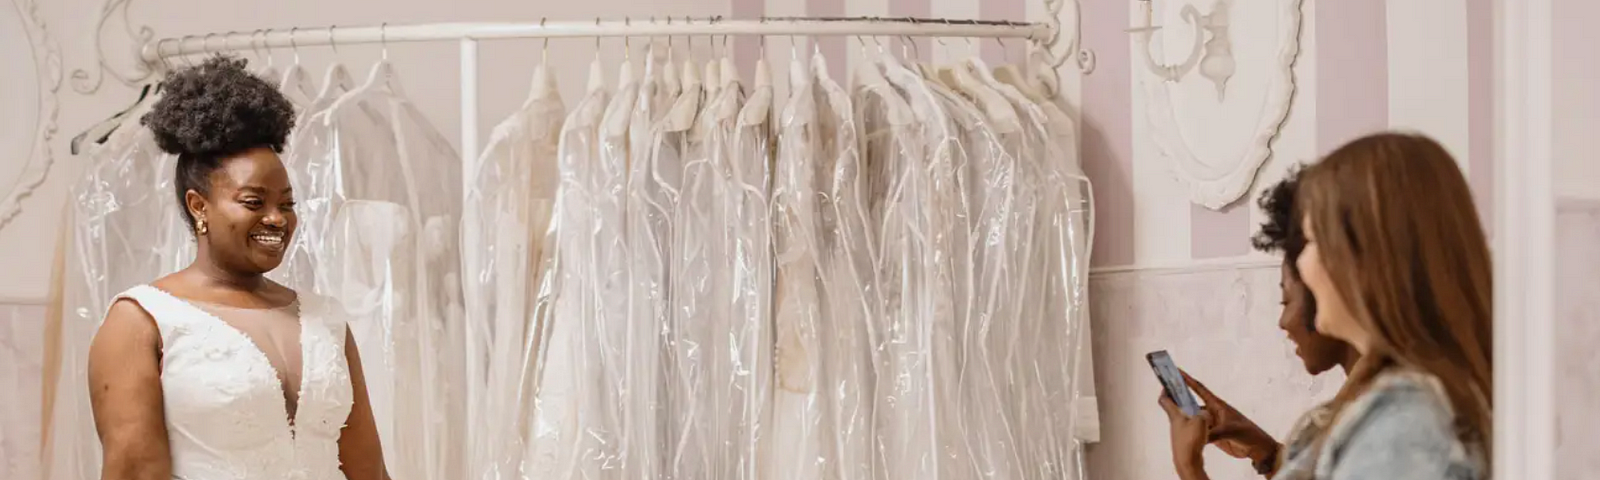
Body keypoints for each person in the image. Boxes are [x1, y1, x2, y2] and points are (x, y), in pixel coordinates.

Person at [86, 55, 389, 480]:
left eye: (286, 204)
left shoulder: (326, 319)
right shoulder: (143, 321)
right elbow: (134, 471)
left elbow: (370, 471)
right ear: (198, 206)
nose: (276, 219)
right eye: (254, 202)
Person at [1165, 132, 1493, 480]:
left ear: (1365, 260)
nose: (1303, 264)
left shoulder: (1405, 425)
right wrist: (1264, 450)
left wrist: (1190, 468)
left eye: (1312, 241)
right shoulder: (1401, 409)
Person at [1161, 168, 1362, 478]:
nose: (1283, 322)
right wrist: (1264, 450)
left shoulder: (1384, 421)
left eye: (1286, 300)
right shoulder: (1361, 404)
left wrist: (1189, 467)